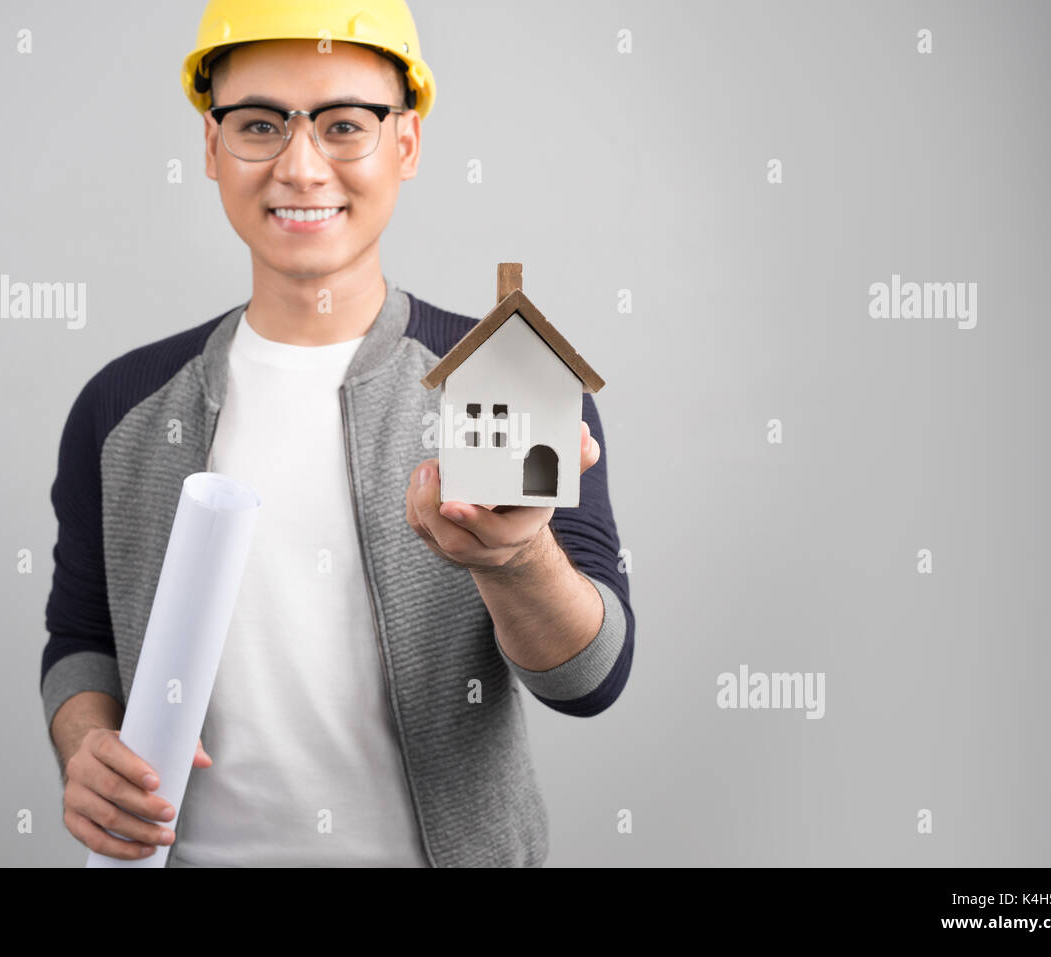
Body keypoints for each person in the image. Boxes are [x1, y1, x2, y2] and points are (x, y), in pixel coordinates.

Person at [41, 0, 635, 867]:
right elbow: (81, 639)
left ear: (407, 144)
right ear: (212, 149)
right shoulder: (121, 405)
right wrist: (83, 740)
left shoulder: (513, 384)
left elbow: (590, 679)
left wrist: (514, 561)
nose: (301, 165)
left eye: (344, 125)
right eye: (259, 124)